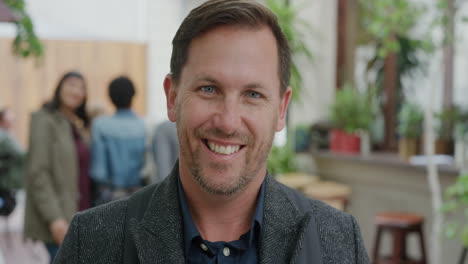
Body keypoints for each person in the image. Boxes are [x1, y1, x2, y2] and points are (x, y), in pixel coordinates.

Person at [55, 1, 370, 263]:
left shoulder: (339, 243)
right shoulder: (92, 241)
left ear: (281, 109)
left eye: (253, 94)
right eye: (208, 89)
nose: (229, 122)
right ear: (172, 97)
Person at [24, 71, 91, 263]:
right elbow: (38, 172)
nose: (76, 91)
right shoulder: (44, 120)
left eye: (81, 87)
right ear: (59, 88)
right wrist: (54, 218)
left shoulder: (76, 125)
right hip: (60, 216)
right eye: (71, 84)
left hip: (81, 213)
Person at [89, 76, 146, 205]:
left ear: (110, 98)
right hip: (139, 196)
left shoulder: (100, 125)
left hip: (110, 198)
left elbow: (99, 172)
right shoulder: (143, 125)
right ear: (133, 95)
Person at [0, 106, 25, 216]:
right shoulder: (4, 137)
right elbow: (22, 155)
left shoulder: (7, 135)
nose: (12, 122)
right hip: (6, 180)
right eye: (10, 119)